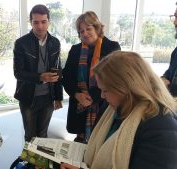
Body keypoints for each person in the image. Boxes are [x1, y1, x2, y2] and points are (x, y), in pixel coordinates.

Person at [60, 51, 177, 169]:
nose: (102, 96)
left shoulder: (162, 128)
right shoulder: (111, 108)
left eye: (105, 90)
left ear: (126, 88)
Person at [62, 11, 120, 142]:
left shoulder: (112, 47)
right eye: (81, 31)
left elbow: (114, 80)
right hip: (79, 105)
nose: (85, 33)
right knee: (79, 143)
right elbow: (67, 77)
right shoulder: (75, 49)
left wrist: (92, 97)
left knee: (99, 140)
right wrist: (77, 95)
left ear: (97, 28)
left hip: (102, 104)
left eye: (88, 29)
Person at [13, 4, 63, 142]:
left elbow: (58, 71)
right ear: (31, 22)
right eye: (36, 22)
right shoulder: (21, 43)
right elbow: (18, 73)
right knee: (30, 136)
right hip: (28, 98)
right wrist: (40, 77)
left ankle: (41, 164)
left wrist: (58, 97)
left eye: (43, 22)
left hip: (48, 97)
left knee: (43, 135)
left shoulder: (55, 43)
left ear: (49, 22)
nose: (40, 26)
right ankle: (30, 163)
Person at [161, 2, 177, 97]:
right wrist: (163, 79)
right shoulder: (176, 52)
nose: (174, 22)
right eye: (174, 16)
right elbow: (169, 73)